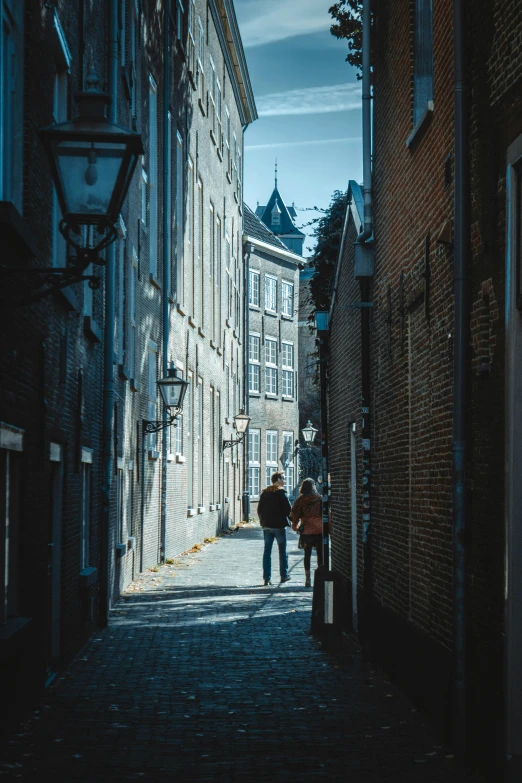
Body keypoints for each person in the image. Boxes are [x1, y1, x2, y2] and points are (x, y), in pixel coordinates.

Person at [257, 471, 292, 586]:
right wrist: (293, 521)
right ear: (278, 480)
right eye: (283, 479)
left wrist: (263, 521)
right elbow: (288, 510)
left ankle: (266, 578)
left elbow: (259, 509)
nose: (285, 481)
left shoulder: (264, 493)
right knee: (282, 552)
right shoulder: (281, 493)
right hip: (279, 527)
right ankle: (284, 575)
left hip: (267, 526)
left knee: (267, 552)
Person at [290, 478, 323, 587]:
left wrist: (295, 526)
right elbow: (327, 514)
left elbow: (294, 514)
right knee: (320, 554)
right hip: (319, 529)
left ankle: (308, 578)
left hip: (307, 531)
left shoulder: (300, 500)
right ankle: (320, 576)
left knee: (307, 555)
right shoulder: (320, 499)